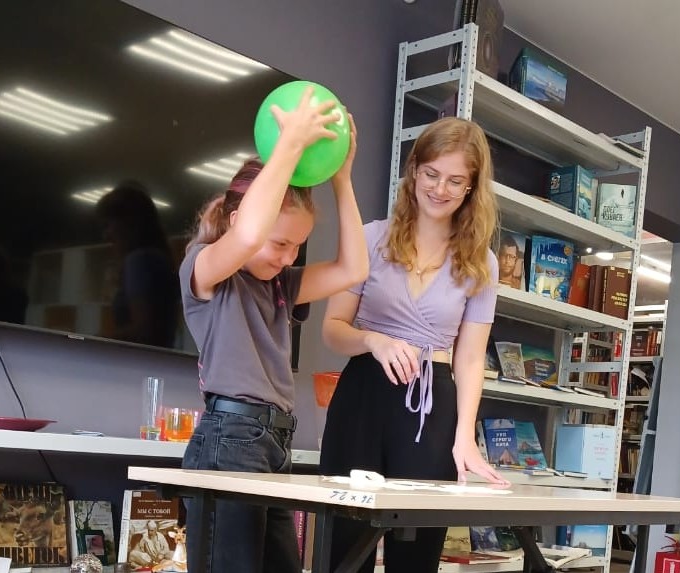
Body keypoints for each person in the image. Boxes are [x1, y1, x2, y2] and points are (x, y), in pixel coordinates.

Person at [179, 86, 367, 573]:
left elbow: (354, 269)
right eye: (280, 243)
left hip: (275, 443)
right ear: (236, 219)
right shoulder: (206, 269)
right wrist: (289, 146)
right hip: (231, 439)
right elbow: (246, 236)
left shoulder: (281, 284)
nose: (288, 257)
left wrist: (342, 179)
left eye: (297, 247)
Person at [319, 116, 510, 572]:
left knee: (417, 552)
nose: (440, 189)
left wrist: (465, 436)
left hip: (432, 407)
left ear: (472, 187)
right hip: (363, 397)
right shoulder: (370, 238)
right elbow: (332, 329)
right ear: (414, 170)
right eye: (431, 174)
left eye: (455, 180)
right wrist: (374, 340)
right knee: (344, 546)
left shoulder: (481, 263)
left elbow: (469, 360)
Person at [96, 182, 180, 348]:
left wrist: (92, 340)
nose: (106, 235)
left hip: (138, 360)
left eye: (108, 225)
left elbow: (143, 331)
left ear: (128, 223)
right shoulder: (158, 257)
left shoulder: (139, 260)